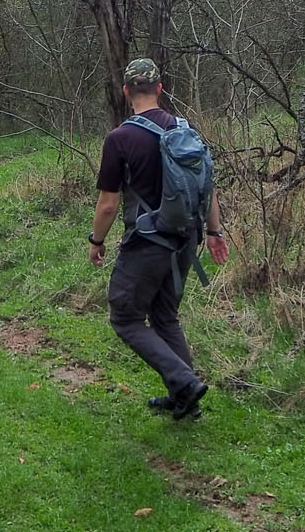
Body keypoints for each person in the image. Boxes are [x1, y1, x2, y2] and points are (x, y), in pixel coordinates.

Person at [89, 58, 229, 419]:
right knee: (165, 316)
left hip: (148, 244)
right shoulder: (186, 129)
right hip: (187, 240)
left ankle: (184, 382)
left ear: (125, 92)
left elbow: (108, 204)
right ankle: (185, 400)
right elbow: (207, 187)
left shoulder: (120, 138)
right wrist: (214, 232)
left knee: (125, 316)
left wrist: (96, 240)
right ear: (160, 89)